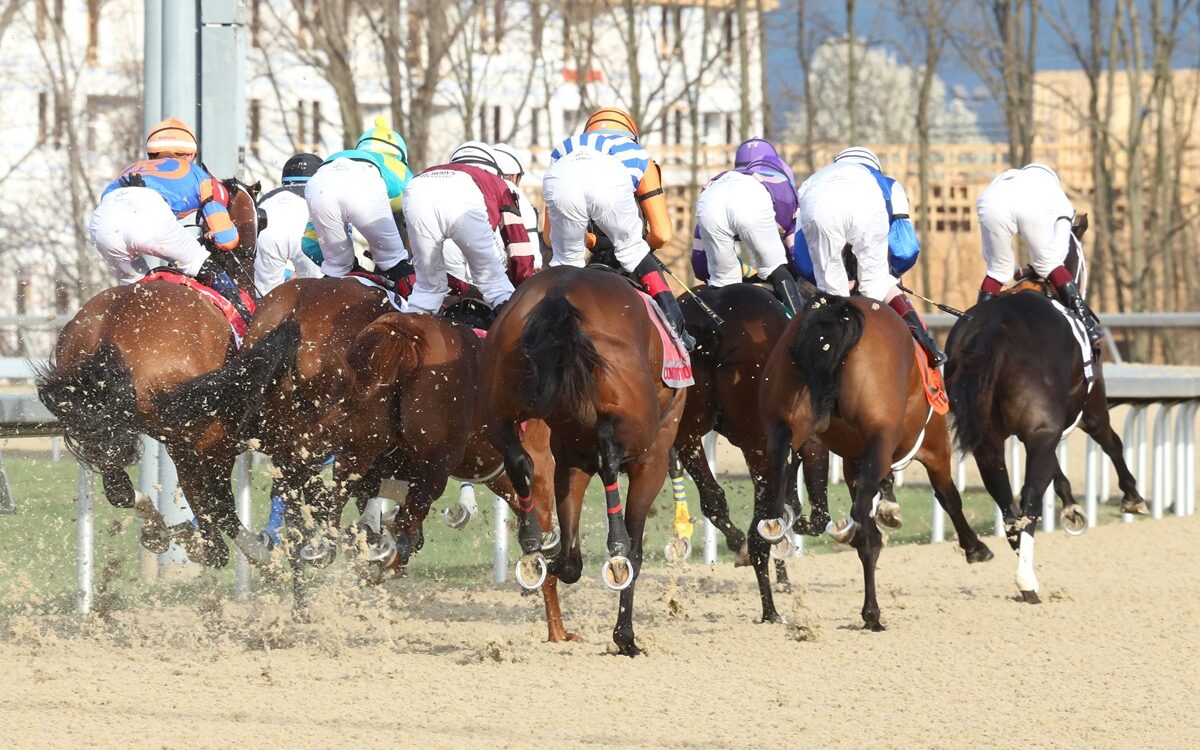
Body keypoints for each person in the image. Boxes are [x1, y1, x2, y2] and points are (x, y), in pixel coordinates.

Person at [541, 107, 693, 349]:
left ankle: (540, 331)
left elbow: (549, 237)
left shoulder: (565, 149)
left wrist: (592, 241)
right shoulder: (635, 153)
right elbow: (662, 234)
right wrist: (631, 247)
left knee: (565, 263)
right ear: (631, 135)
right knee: (634, 252)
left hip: (562, 175)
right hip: (608, 179)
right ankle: (678, 334)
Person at [89, 117, 252, 321]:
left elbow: (111, 205)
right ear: (190, 154)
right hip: (148, 217)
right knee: (204, 265)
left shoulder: (129, 169)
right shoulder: (199, 175)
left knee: (135, 287)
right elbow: (226, 239)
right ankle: (243, 322)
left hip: (102, 223)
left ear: (151, 153)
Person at [796, 146, 943, 366]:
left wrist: (838, 282)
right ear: (876, 167)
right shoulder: (889, 184)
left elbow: (802, 259)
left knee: (832, 295)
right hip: (866, 208)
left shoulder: (812, 182)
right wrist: (890, 275)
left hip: (819, 208)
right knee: (879, 284)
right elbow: (906, 250)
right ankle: (929, 348)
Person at [402, 141, 536, 314]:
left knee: (427, 289)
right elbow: (519, 247)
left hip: (417, 188)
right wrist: (524, 286)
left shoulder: (433, 171)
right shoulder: (495, 181)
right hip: (464, 198)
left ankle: (409, 325)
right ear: (493, 168)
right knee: (495, 285)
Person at [975, 164, 1103, 343]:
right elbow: (1058, 254)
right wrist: (1040, 268)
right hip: (1031, 202)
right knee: (1050, 263)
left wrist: (1019, 272)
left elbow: (1003, 268)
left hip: (990, 200)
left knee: (997, 271)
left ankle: (976, 327)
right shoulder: (1059, 198)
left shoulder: (1007, 178)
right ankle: (1088, 325)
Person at [691, 137, 804, 316]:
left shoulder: (721, 180)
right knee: (774, 267)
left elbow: (699, 265)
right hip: (753, 197)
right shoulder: (781, 182)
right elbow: (795, 255)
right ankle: (800, 324)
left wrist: (734, 273)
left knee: (724, 280)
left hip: (710, 199)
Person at [303, 116, 415, 294]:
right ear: (401, 157)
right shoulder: (398, 166)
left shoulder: (339, 160)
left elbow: (308, 243)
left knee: (337, 268)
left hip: (317, 184)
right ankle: (422, 306)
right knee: (394, 261)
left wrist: (349, 268)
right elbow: (415, 212)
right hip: (365, 179)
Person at [254, 153, 324, 295]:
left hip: (268, 235)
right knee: (317, 296)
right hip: (308, 236)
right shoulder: (322, 196)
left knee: (266, 298)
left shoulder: (268, 196)